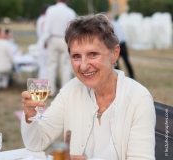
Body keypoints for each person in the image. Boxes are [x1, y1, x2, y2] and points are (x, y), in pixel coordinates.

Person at [21, 14, 156, 160]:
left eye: (93, 54)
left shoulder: (138, 99)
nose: (83, 66)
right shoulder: (71, 90)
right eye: (76, 56)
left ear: (114, 54)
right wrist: (30, 116)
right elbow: (36, 143)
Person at [42, 0, 76, 96]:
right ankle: (65, 92)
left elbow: (47, 27)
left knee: (51, 66)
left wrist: (45, 40)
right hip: (65, 39)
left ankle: (50, 90)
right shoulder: (71, 12)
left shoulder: (51, 10)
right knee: (66, 66)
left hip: (53, 38)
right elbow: (72, 29)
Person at [107, 13, 135, 79]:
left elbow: (117, 36)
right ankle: (125, 76)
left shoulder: (112, 25)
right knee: (121, 61)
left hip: (120, 44)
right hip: (120, 44)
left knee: (118, 61)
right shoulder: (115, 23)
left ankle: (121, 76)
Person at [36, 5, 49, 79]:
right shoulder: (45, 19)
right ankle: (44, 81)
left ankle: (42, 80)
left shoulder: (40, 18)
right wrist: (46, 41)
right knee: (45, 64)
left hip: (40, 42)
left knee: (42, 64)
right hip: (44, 43)